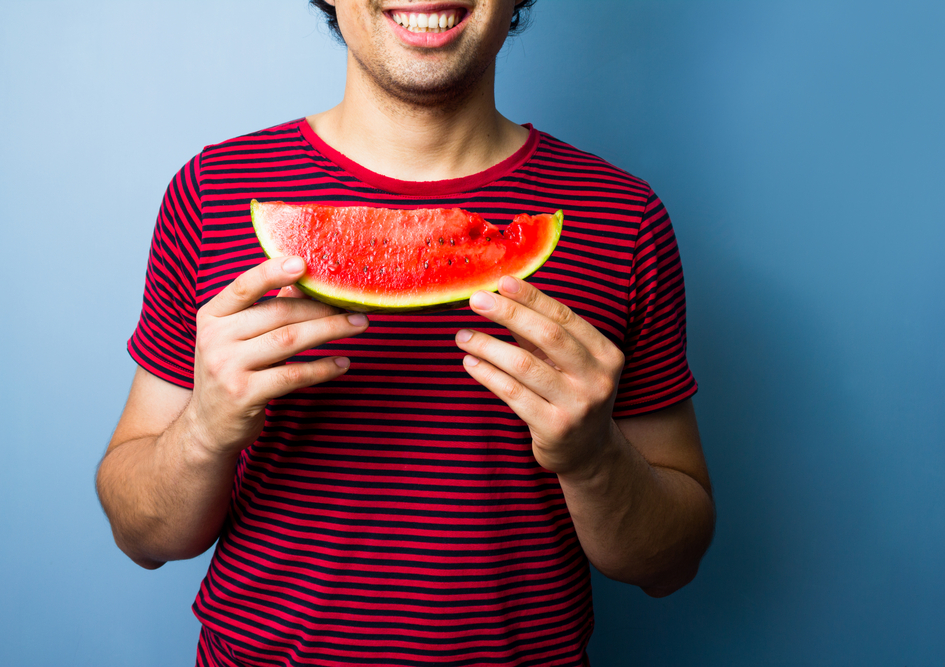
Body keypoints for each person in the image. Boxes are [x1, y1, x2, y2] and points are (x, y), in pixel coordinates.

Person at [96, 1, 715, 664]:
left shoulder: (621, 218)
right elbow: (140, 534)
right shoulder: (213, 194)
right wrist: (204, 430)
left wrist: (594, 457)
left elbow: (671, 564)